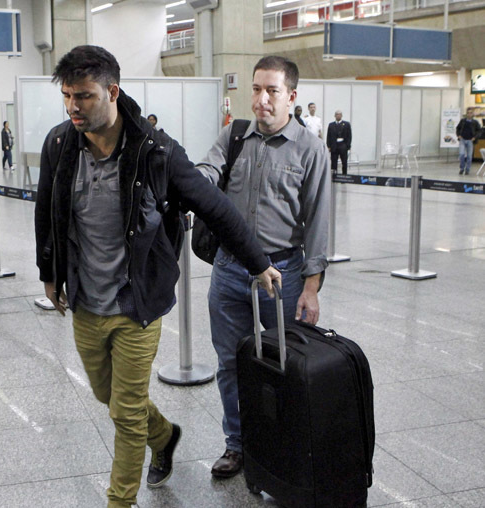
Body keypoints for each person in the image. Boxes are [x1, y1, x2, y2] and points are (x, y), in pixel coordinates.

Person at [34, 45, 281, 508]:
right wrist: (49, 273)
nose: (73, 107)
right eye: (67, 95)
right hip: (85, 300)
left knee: (125, 414)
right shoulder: (60, 144)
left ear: (112, 91)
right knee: (107, 395)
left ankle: (120, 501)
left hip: (137, 302)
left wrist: (258, 261)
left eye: (83, 96)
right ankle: (164, 435)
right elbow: (47, 209)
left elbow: (216, 207)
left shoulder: (157, 152)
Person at [196, 55, 330, 479]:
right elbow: (206, 171)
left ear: (291, 96)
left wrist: (311, 288)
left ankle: (280, 450)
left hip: (282, 275)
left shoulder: (310, 149)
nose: (262, 99)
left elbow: (319, 222)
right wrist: (186, 183)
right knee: (229, 363)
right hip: (229, 270)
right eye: (256, 89)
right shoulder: (234, 136)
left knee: (281, 366)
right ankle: (237, 446)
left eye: (272, 91)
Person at [456, 108, 482, 175]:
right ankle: (462, 168)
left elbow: (479, 130)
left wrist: (475, 137)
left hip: (470, 140)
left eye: (470, 113)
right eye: (468, 113)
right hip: (462, 139)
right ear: (466, 114)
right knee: (461, 154)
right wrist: (458, 135)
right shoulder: (463, 121)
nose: (469, 114)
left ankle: (467, 169)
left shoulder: (475, 122)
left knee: (469, 156)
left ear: (472, 114)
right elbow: (458, 128)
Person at [327, 110, 352, 174]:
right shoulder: (331, 125)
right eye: (337, 114)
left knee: (344, 161)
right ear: (335, 116)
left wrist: (348, 145)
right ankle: (334, 175)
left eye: (340, 114)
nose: (338, 115)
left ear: (341, 115)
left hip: (343, 145)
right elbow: (328, 136)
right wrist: (329, 146)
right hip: (334, 145)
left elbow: (349, 135)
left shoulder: (346, 124)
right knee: (334, 161)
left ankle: (344, 176)